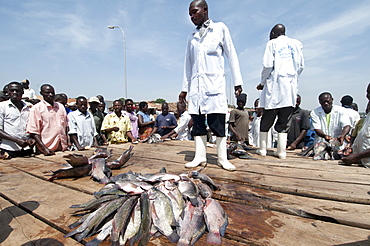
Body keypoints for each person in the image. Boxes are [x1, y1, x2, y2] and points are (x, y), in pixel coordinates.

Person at [179, 0, 243, 171]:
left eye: (195, 12)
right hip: (196, 88)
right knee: (198, 123)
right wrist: (185, 88)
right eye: (190, 14)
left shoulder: (220, 28)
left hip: (214, 85)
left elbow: (232, 55)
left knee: (218, 124)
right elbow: (188, 64)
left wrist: (237, 81)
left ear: (205, 10)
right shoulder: (191, 37)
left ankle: (222, 158)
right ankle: (200, 156)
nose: (192, 16)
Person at [256, 24, 304, 159]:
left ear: (273, 33)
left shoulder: (272, 43)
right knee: (284, 121)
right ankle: (281, 152)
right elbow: (301, 66)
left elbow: (267, 66)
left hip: (275, 86)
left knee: (267, 119)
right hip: (290, 88)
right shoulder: (297, 44)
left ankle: (263, 149)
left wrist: (262, 83)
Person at [26, 84, 68, 155]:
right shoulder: (36, 108)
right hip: (46, 148)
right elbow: (34, 131)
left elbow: (66, 126)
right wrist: (44, 148)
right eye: (47, 93)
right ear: (41, 93)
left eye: (52, 92)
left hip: (62, 147)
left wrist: (68, 142)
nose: (50, 95)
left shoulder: (60, 107)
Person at [0, 82, 35, 158]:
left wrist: (32, 138)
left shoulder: (28, 107)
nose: (14, 93)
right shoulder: (2, 107)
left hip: (26, 150)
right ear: (8, 92)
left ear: (22, 92)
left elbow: (30, 127)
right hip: (9, 150)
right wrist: (16, 140)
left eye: (17, 91)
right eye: (12, 90)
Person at [341, 84, 370, 167]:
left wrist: (357, 156)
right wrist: (354, 150)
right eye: (368, 92)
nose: (368, 96)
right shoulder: (367, 117)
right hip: (364, 163)